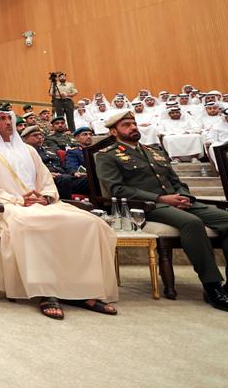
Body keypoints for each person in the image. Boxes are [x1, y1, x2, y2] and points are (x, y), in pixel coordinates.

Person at [0, 109, 118, 320]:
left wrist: (46, 198)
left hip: (42, 203)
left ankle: (81, 290)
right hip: (11, 207)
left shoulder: (28, 150)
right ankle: (46, 292)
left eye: (9, 118)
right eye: (2, 119)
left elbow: (47, 181)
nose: (8, 122)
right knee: (32, 224)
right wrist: (20, 200)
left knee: (89, 222)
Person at [95, 110, 228, 311]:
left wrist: (184, 196)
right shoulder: (107, 156)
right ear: (114, 132)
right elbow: (117, 189)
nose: (132, 128)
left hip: (179, 201)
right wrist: (160, 198)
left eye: (133, 124)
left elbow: (176, 181)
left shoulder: (154, 151)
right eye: (126, 125)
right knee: (192, 223)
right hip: (147, 206)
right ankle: (212, 286)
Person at [22, 125, 89, 200]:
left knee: (88, 179)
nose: (40, 137)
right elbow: (29, 171)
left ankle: (99, 204)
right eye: (35, 135)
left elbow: (63, 165)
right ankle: (67, 203)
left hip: (65, 177)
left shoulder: (49, 150)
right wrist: (48, 174)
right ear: (25, 139)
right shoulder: (25, 153)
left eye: (40, 134)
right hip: (49, 181)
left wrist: (74, 172)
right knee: (65, 179)